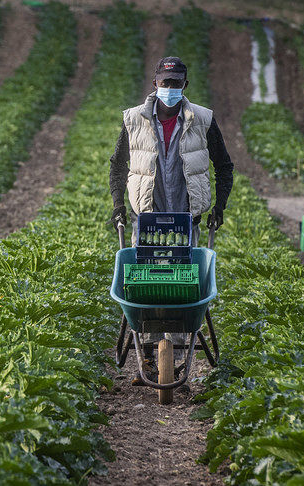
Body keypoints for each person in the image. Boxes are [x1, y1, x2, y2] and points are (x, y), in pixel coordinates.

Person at [109, 56, 234, 388]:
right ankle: (148, 357)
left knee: (181, 288)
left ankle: (178, 361)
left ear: (185, 86)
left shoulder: (203, 120)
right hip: (148, 218)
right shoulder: (134, 119)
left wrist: (219, 206)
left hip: (185, 219)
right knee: (146, 286)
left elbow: (224, 165)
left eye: (176, 83)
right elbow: (118, 164)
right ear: (155, 85)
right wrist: (118, 204)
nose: (170, 89)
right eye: (165, 83)